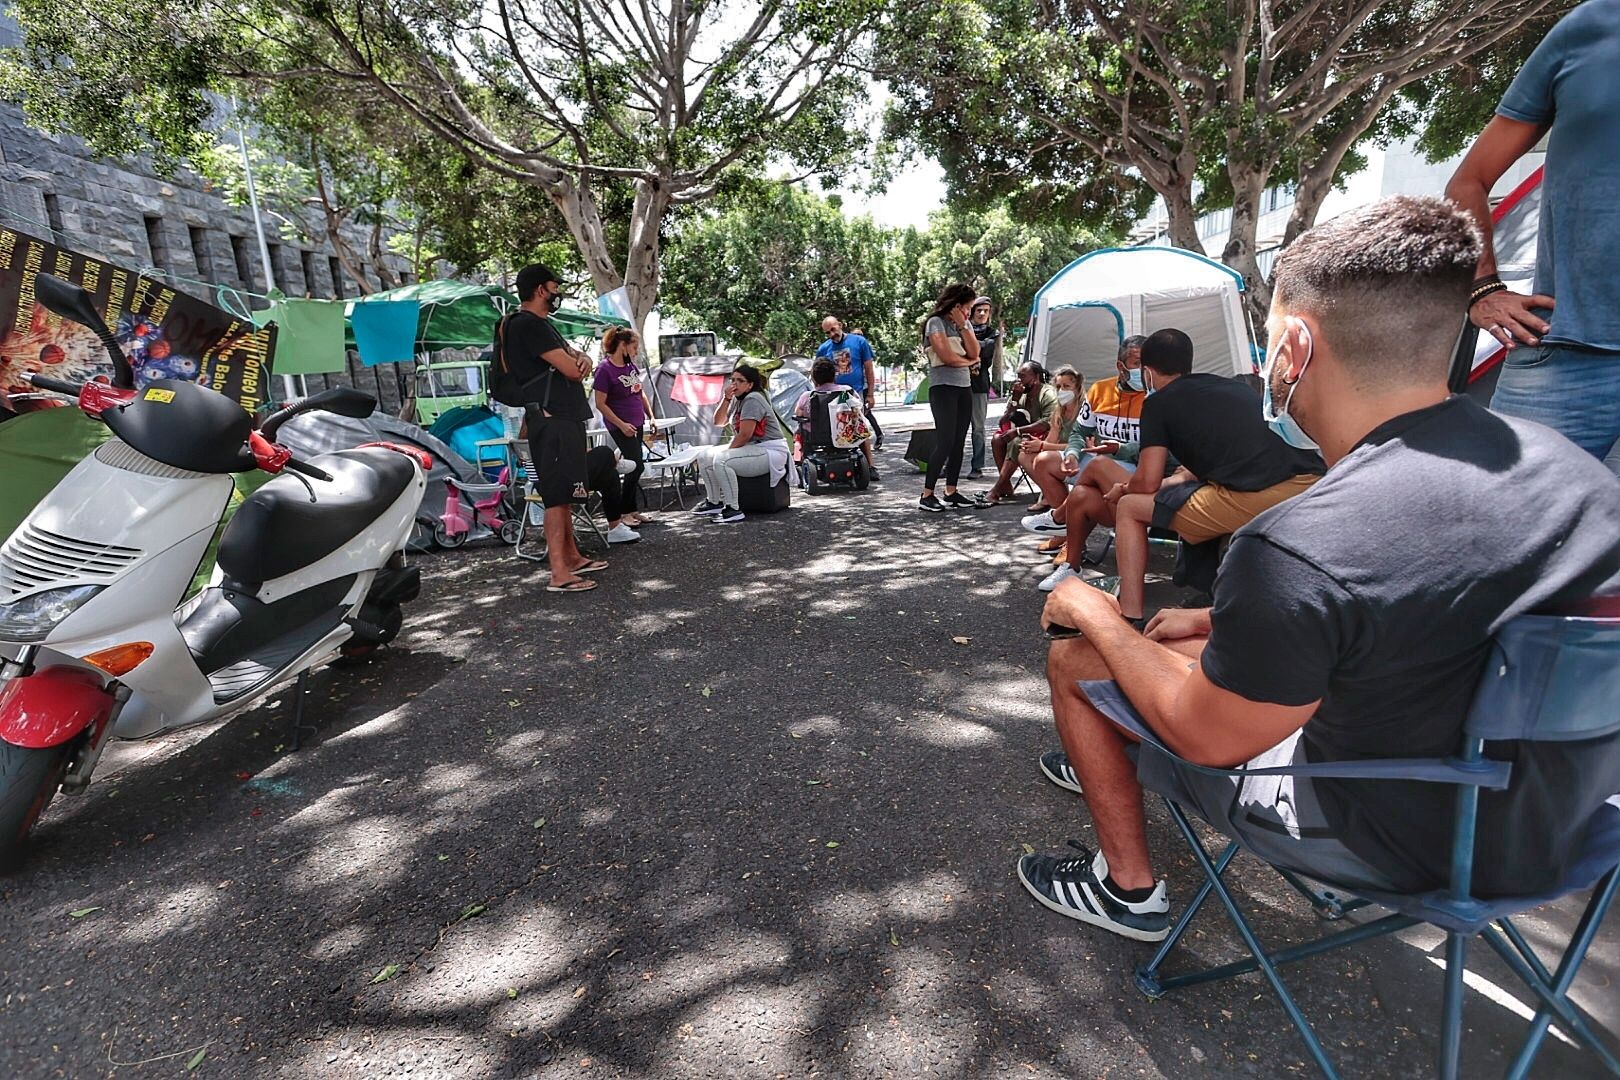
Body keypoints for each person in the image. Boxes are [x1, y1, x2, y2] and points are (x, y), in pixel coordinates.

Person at [1021, 195, 1620, 943]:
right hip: (1566, 828)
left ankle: (1128, 892)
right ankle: (1109, 751)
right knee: (1177, 645)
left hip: (1390, 837)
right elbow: (1447, 604)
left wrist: (1096, 609)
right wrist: (1216, 618)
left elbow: (1209, 738)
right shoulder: (1582, 480)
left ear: (1294, 348)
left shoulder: (1303, 544)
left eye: (1270, 340)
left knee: (1083, 657)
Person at [1445, 0, 1620, 474]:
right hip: (1564, 358)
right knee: (1499, 537)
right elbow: (1469, 182)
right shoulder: (1590, 27)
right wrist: (1482, 289)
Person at [1103, 328, 1324, 626]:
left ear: (1147, 372)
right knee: (1198, 492)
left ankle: (1129, 614)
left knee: (1130, 507)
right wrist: (1184, 476)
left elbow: (1147, 482)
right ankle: (1211, 591)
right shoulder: (1229, 387)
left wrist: (1122, 488)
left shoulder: (1157, 404)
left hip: (1264, 493)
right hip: (1311, 480)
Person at [502, 263, 604, 594]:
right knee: (556, 496)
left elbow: (579, 358)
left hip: (561, 416)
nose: (558, 292)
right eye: (554, 286)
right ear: (541, 289)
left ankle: (571, 557)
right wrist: (578, 365)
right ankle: (559, 572)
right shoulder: (528, 325)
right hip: (552, 418)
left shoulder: (544, 325)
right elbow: (573, 369)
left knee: (566, 491)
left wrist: (580, 361)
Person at [1021, 337, 1149, 574]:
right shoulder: (1101, 390)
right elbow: (1081, 432)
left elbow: (1155, 448)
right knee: (1045, 461)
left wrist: (1119, 449)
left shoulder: (1155, 396)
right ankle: (1067, 535)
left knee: (1095, 471)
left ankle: (1063, 523)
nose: (1144, 370)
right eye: (1137, 363)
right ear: (1121, 366)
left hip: (1133, 467)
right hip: (1099, 461)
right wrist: (1071, 453)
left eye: (1148, 363)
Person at [689, 363, 790, 524]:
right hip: (753, 448)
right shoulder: (737, 398)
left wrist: (725, 453)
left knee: (722, 460)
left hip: (770, 451)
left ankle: (733, 510)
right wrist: (726, 398)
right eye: (732, 380)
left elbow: (744, 435)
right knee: (704, 456)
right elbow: (718, 422)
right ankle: (714, 502)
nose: (734, 384)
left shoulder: (753, 399)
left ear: (750, 385)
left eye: (739, 380)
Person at [918, 284, 983, 512]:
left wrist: (965, 325)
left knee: (958, 442)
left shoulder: (964, 326)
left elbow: (976, 353)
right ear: (956, 305)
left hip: (964, 388)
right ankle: (927, 495)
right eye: (967, 308)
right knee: (945, 440)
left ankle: (951, 491)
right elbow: (946, 356)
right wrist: (968, 362)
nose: (969, 313)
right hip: (943, 388)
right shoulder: (935, 323)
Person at [592, 327, 654, 526]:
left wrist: (651, 416)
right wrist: (621, 424)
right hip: (620, 425)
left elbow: (640, 393)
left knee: (635, 466)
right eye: (634, 347)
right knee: (636, 465)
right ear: (623, 345)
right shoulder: (604, 369)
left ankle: (631, 510)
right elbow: (600, 403)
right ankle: (622, 512)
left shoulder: (631, 368)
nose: (636, 352)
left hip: (637, 423)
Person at [816, 317, 880, 473]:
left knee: (859, 427)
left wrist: (870, 394)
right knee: (837, 427)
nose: (832, 334)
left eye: (833, 329)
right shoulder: (824, 349)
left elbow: (869, 369)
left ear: (840, 325)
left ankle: (870, 466)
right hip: (833, 394)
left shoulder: (859, 342)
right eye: (828, 332)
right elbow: (817, 374)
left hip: (853, 393)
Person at [986, 362, 1057, 504]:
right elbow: (1003, 422)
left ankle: (996, 489)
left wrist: (1018, 431)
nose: (1019, 381)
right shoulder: (1020, 395)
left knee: (1017, 442)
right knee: (997, 439)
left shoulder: (1047, 394)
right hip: (1026, 433)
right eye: (1017, 377)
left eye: (1023, 377)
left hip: (1047, 436)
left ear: (1036, 377)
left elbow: (1047, 423)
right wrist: (1015, 400)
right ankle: (1005, 486)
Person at [1016, 367, 1083, 515]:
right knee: (1024, 455)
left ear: (1077, 388)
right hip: (1062, 454)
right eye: (1058, 387)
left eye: (1066, 386)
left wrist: (1043, 446)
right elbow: (1051, 441)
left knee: (1043, 458)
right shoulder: (1058, 412)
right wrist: (1035, 445)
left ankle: (1057, 507)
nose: (1061, 391)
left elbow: (1082, 446)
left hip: (1080, 456)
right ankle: (1052, 496)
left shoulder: (1085, 411)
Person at [967, 297, 1004, 478]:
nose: (982, 314)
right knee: (954, 429)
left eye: (986, 311)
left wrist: (967, 345)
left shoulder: (992, 333)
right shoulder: (961, 328)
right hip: (958, 383)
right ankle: (949, 465)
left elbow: (985, 352)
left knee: (978, 429)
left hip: (979, 385)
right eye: (979, 310)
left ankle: (977, 466)